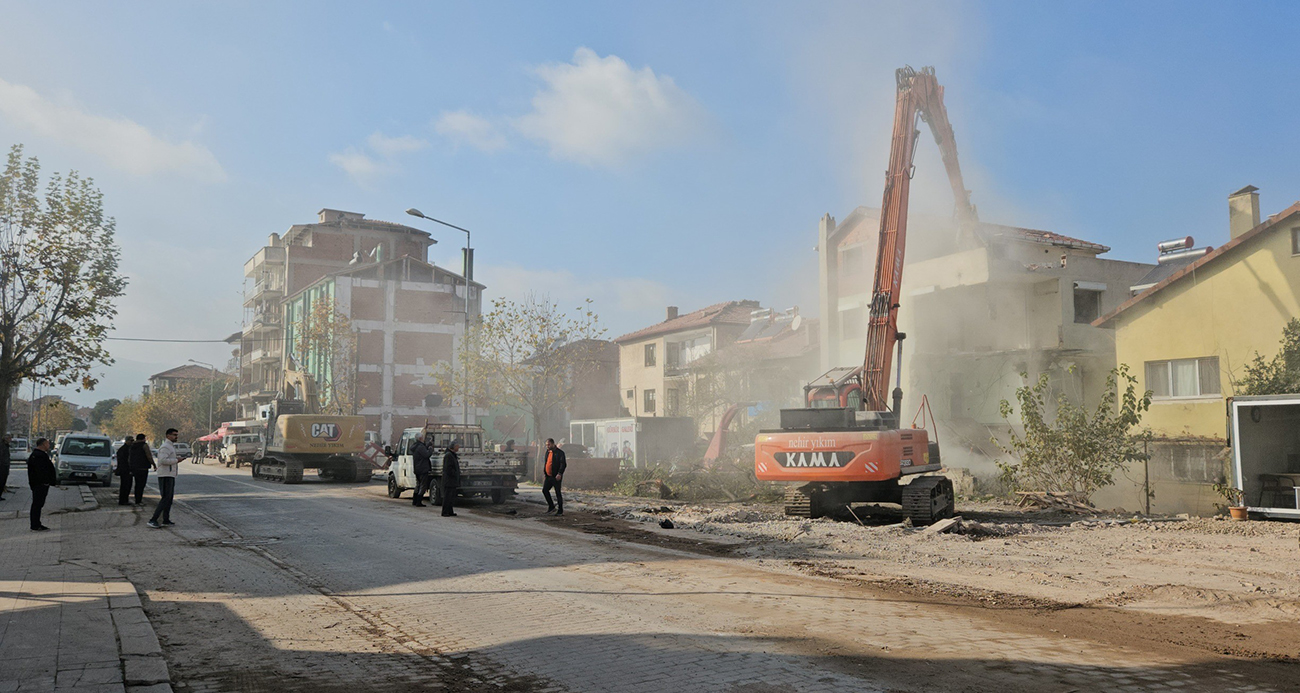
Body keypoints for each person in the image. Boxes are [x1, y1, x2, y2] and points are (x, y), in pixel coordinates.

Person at [148, 428, 180, 528]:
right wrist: (176, 460)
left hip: (170, 474)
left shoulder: (170, 446)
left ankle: (166, 519)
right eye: (174, 435)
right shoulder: (165, 447)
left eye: (176, 435)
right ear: (168, 436)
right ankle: (153, 519)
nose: (176, 437)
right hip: (165, 475)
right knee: (165, 498)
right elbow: (162, 460)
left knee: (169, 498)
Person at [26, 438, 56, 531]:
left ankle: (36, 523)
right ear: (42, 444)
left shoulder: (40, 455)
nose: (49, 445)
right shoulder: (38, 456)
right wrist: (45, 481)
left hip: (40, 484)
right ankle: (35, 525)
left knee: (38, 504)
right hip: (40, 484)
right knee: (37, 504)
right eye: (47, 444)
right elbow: (41, 471)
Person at [126, 434, 153, 506]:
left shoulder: (132, 446)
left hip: (134, 468)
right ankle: (138, 501)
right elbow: (149, 456)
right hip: (143, 468)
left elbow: (129, 457)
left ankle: (137, 500)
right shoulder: (144, 445)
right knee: (141, 485)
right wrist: (153, 464)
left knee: (137, 484)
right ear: (143, 439)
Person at [542, 437, 566, 516]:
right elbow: (546, 463)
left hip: (556, 476)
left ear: (553, 444)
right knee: (545, 490)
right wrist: (545, 473)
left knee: (557, 493)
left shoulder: (560, 453)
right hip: (548, 476)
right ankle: (551, 507)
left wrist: (560, 473)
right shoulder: (548, 452)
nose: (547, 446)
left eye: (549, 444)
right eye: (546, 445)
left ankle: (560, 510)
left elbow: (563, 464)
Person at [410, 433, 432, 508]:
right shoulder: (420, 447)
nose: (423, 439)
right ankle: (419, 501)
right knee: (423, 485)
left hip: (417, 468)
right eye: (422, 438)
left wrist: (428, 444)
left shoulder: (415, 446)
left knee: (418, 484)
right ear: (420, 439)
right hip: (423, 469)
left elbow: (422, 449)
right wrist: (430, 449)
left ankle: (415, 500)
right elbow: (426, 455)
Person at [440, 441, 461, 517]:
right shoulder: (449, 455)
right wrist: (455, 474)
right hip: (449, 480)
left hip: (452, 480)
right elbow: (448, 468)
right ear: (453, 447)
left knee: (451, 497)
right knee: (447, 496)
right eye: (457, 446)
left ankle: (450, 511)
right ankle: (445, 511)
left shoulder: (452, 455)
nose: (458, 448)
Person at [115, 436, 134, 505]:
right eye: (131, 441)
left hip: (125, 469)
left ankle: (124, 499)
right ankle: (123, 500)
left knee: (127, 485)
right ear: (127, 441)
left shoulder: (126, 448)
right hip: (125, 470)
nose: (132, 442)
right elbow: (126, 461)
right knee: (125, 485)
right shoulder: (125, 449)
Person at [0, 433, 11, 502]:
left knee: (3, 482)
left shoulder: (6, 446)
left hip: (5, 466)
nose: (11, 440)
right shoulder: (2, 446)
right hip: (2, 466)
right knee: (1, 481)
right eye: (9, 438)